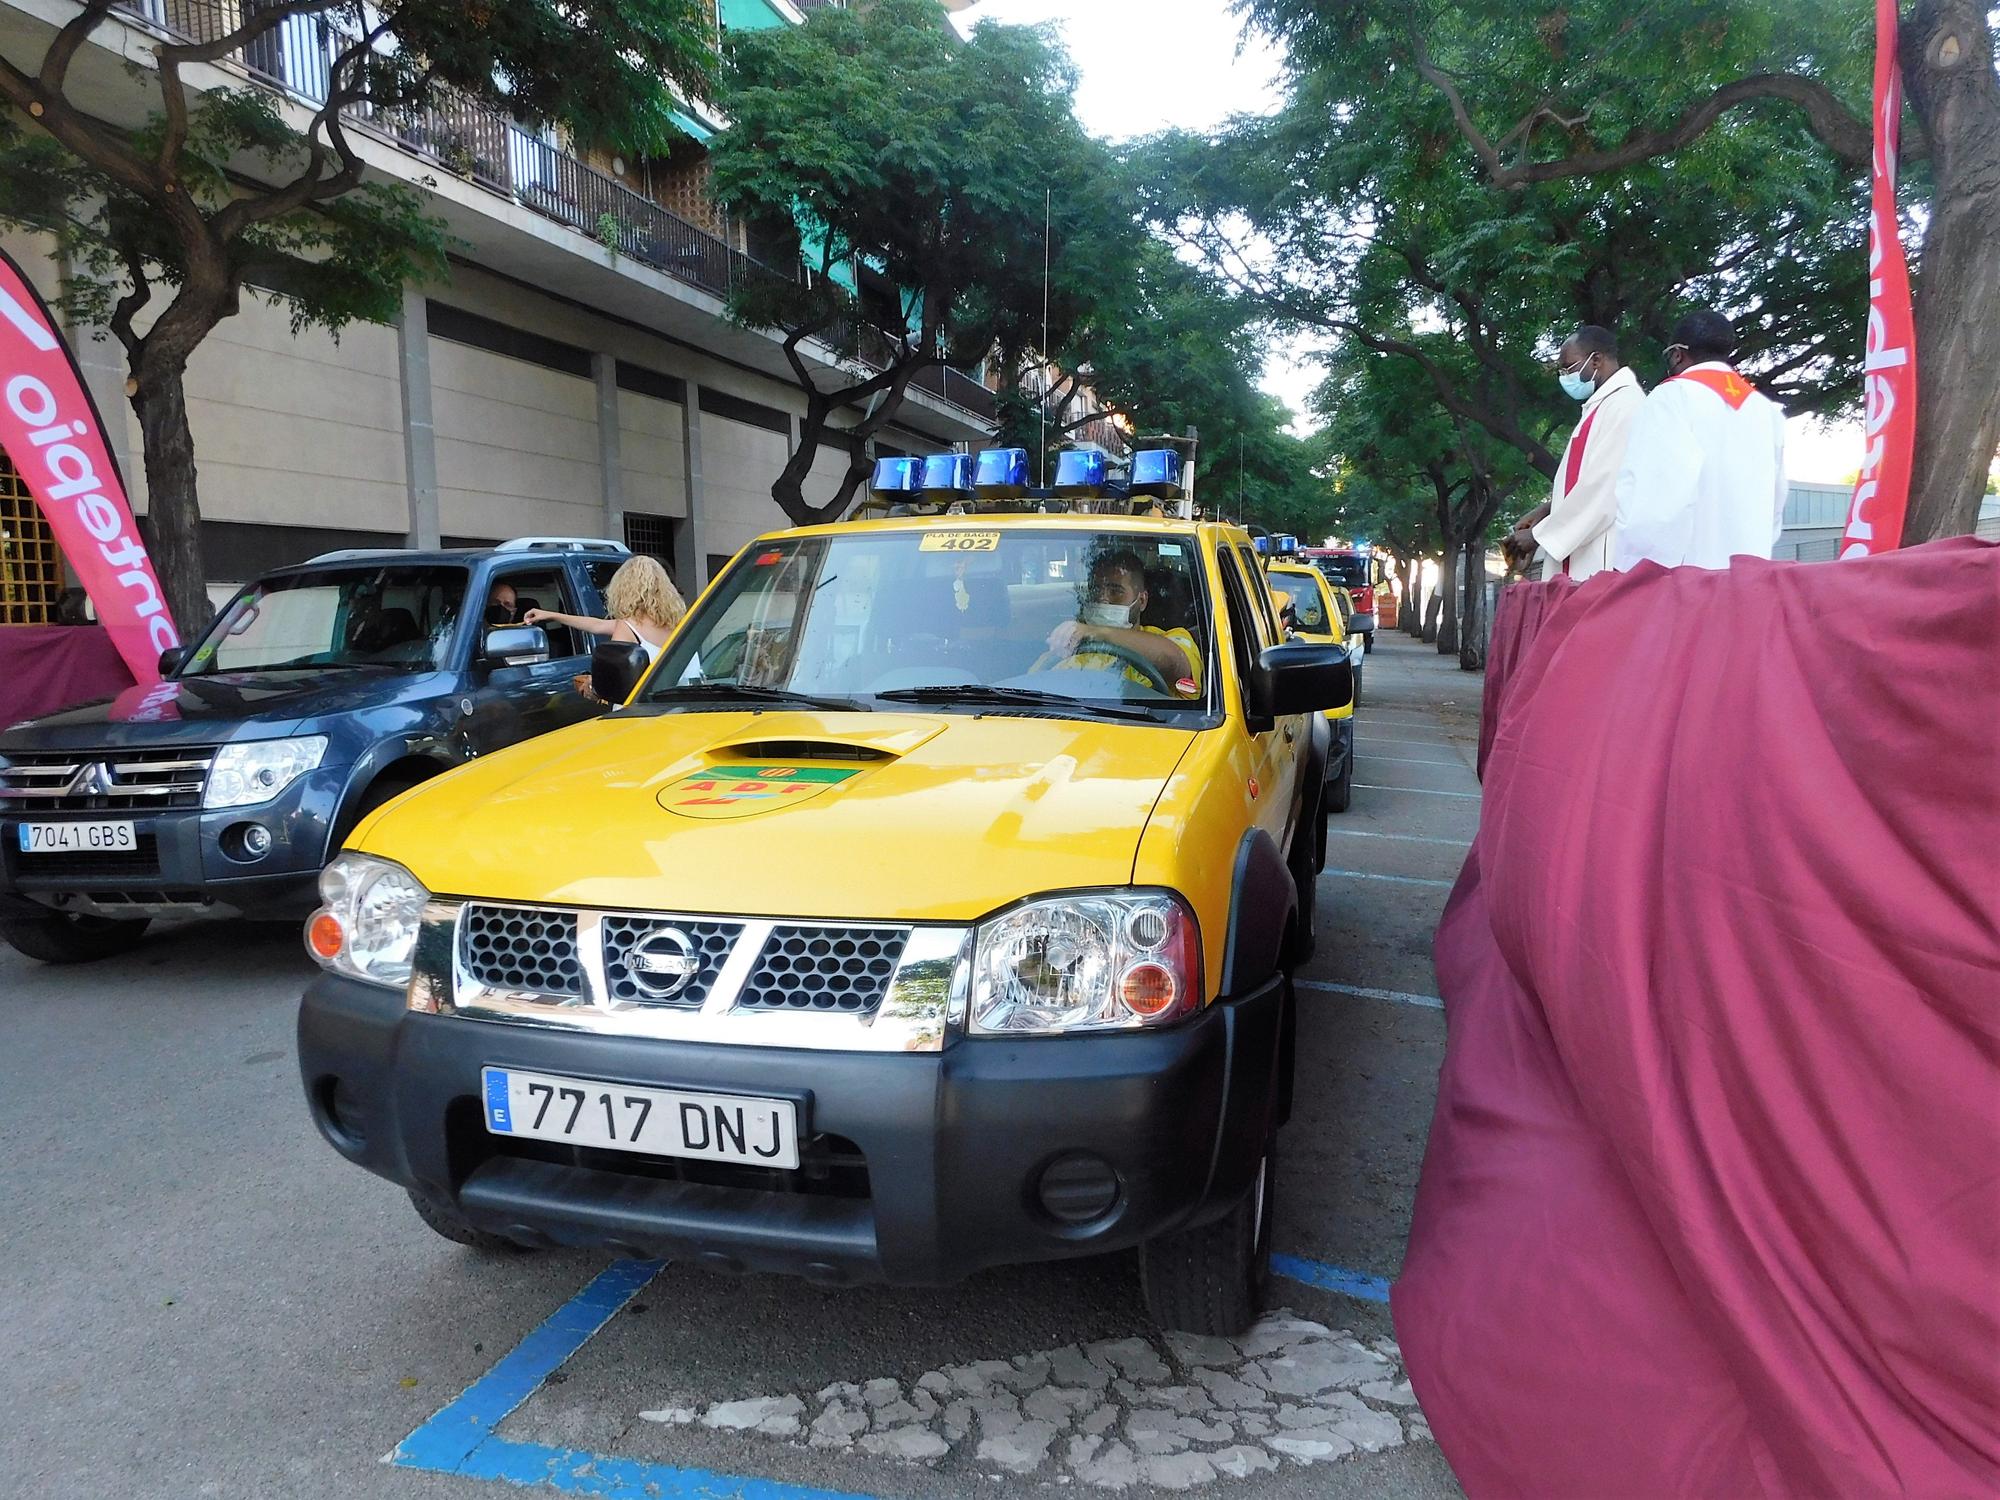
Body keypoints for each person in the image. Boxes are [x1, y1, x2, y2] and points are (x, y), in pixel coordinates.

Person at [1612, 309, 1788, 570]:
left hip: (1688, 579)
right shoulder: (1765, 410)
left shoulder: (1672, 397)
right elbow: (1777, 499)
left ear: (1677, 354)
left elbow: (1652, 496)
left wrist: (1633, 567)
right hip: (1748, 575)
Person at [1503, 325, 1644, 581]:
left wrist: (1539, 535)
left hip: (1601, 549)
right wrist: (1548, 509)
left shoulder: (1626, 405)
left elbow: (1604, 487)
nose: (1564, 376)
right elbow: (1586, 477)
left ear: (1596, 360)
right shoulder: (1601, 405)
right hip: (1582, 546)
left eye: (1568, 367)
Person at [1043, 548, 1201, 693]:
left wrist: (1096, 632)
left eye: (1115, 591)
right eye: (1096, 589)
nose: (1102, 598)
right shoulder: (1069, 646)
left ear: (1142, 600)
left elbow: (1175, 663)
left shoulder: (1172, 639)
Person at [523, 555, 687, 663]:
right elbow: (597, 625)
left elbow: (613, 672)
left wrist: (592, 685)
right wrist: (551, 615)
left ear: (624, 588)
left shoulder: (628, 626)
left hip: (638, 710)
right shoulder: (679, 623)